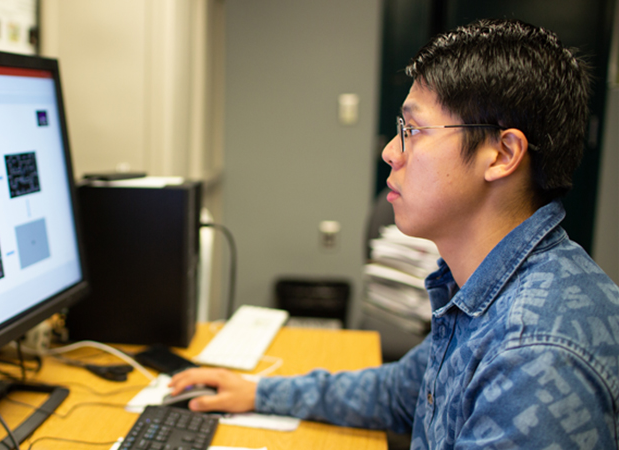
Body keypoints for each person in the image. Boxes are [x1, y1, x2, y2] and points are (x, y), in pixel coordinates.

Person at [170, 18, 619, 449]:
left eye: (414, 130)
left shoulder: (533, 354)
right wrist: (258, 393)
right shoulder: (490, 286)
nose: (390, 152)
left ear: (502, 154)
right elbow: (400, 392)